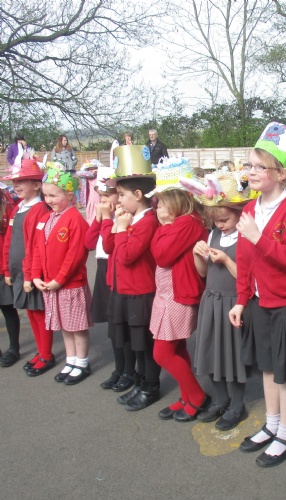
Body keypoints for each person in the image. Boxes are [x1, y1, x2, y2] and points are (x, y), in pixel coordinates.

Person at [229, 122, 286, 468]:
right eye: (248, 165)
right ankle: (272, 424)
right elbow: (244, 261)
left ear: (280, 173)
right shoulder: (250, 209)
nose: (250, 172)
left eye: (259, 167)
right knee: (266, 367)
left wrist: (258, 237)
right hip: (258, 303)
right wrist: (240, 299)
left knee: (285, 372)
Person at [189, 172, 254, 431]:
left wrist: (227, 260)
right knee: (210, 351)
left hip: (233, 304)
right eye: (216, 221)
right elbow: (203, 272)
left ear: (239, 214)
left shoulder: (246, 238)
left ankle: (237, 404)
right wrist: (197, 254)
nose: (220, 225)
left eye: (225, 220)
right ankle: (221, 399)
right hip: (211, 301)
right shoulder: (213, 234)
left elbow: (247, 279)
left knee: (232, 356)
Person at [101, 145, 160, 411]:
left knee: (145, 344)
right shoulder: (130, 218)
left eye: (123, 195)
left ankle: (151, 386)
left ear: (138, 194)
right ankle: (140, 381)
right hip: (123, 291)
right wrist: (114, 223)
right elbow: (109, 247)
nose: (119, 201)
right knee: (133, 344)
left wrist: (122, 229)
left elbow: (127, 256)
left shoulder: (147, 222)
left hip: (140, 293)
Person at [149, 187, 211, 422]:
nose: (157, 209)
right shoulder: (178, 223)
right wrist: (165, 226)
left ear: (176, 205)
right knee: (176, 348)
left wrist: (164, 227)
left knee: (162, 353)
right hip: (168, 294)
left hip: (178, 294)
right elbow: (157, 251)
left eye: (162, 205)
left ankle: (197, 396)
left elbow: (162, 256)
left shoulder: (187, 222)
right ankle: (187, 396)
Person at [31, 163, 93, 385]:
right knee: (65, 325)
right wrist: (36, 275)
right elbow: (38, 250)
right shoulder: (46, 219)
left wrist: (60, 279)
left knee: (76, 326)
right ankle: (71, 359)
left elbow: (75, 255)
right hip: (52, 284)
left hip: (70, 285)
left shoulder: (75, 219)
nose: (48, 200)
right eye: (46, 195)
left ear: (69, 195)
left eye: (53, 195)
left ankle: (82, 362)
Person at [84, 165, 136, 392]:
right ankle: (119, 368)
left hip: (119, 271)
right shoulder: (104, 216)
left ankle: (130, 370)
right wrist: (99, 219)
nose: (102, 201)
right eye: (100, 197)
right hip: (103, 269)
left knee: (124, 325)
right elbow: (88, 243)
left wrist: (107, 219)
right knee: (113, 326)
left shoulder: (125, 217)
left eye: (107, 197)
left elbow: (111, 246)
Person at [2, 157, 50, 369]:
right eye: (14, 182)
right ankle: (40, 351)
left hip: (31, 272)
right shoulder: (18, 207)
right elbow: (9, 241)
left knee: (38, 312)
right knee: (30, 312)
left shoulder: (39, 209)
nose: (16, 185)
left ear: (37, 185)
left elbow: (35, 245)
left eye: (21, 181)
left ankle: (46, 354)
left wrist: (31, 274)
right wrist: (7, 269)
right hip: (19, 272)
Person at [0, 183, 20, 367]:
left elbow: (9, 242)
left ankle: (14, 348)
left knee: (7, 309)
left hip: (1, 268)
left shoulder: (6, 207)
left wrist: (6, 269)